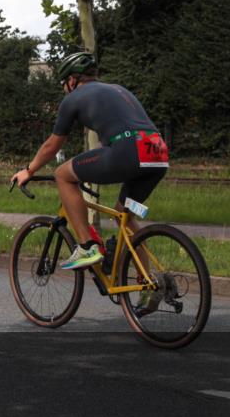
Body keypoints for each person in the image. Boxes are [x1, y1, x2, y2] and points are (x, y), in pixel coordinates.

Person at [10, 52, 169, 271]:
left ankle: (87, 246)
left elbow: (52, 146)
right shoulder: (119, 89)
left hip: (127, 151)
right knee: (125, 214)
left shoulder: (73, 98)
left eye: (63, 83)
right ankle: (149, 281)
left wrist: (28, 170)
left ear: (72, 80)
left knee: (63, 175)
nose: (64, 88)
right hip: (157, 152)